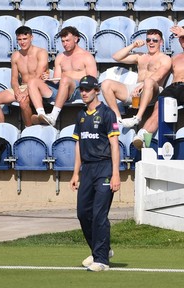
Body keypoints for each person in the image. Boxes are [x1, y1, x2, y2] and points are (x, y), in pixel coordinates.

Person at [132, 25, 184, 150]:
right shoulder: (174, 58)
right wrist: (142, 85)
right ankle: (142, 136)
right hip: (173, 88)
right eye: (182, 38)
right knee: (159, 107)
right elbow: (157, 73)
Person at [69, 75, 120, 272]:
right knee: (83, 214)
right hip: (87, 170)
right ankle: (101, 249)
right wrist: (75, 173)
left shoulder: (107, 114)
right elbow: (78, 144)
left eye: (88, 89)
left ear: (96, 90)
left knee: (99, 214)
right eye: (81, 89)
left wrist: (116, 173)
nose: (84, 92)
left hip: (105, 167)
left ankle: (102, 261)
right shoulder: (80, 115)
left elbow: (115, 145)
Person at [101, 29, 172, 128]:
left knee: (148, 81)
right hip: (136, 90)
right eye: (148, 40)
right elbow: (116, 57)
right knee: (106, 83)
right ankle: (117, 118)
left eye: (155, 40)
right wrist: (133, 45)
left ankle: (138, 117)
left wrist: (142, 86)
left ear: (161, 42)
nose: (151, 43)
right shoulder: (140, 56)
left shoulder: (165, 58)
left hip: (153, 91)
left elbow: (159, 75)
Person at [29, 26, 98, 126]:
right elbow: (57, 80)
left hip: (78, 89)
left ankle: (53, 116)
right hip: (61, 87)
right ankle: (42, 115)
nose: (65, 44)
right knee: (32, 81)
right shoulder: (60, 57)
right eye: (63, 41)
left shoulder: (87, 56)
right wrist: (48, 78)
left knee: (65, 79)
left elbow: (92, 80)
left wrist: (70, 79)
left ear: (76, 39)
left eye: (67, 40)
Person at [0, 26, 49, 127]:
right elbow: (14, 79)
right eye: (19, 39)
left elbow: (38, 76)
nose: (22, 42)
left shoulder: (41, 52)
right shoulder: (16, 56)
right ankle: (2, 130)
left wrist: (25, 93)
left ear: (31, 38)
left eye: (25, 39)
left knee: (23, 101)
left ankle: (29, 131)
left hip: (37, 86)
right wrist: (17, 91)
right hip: (23, 86)